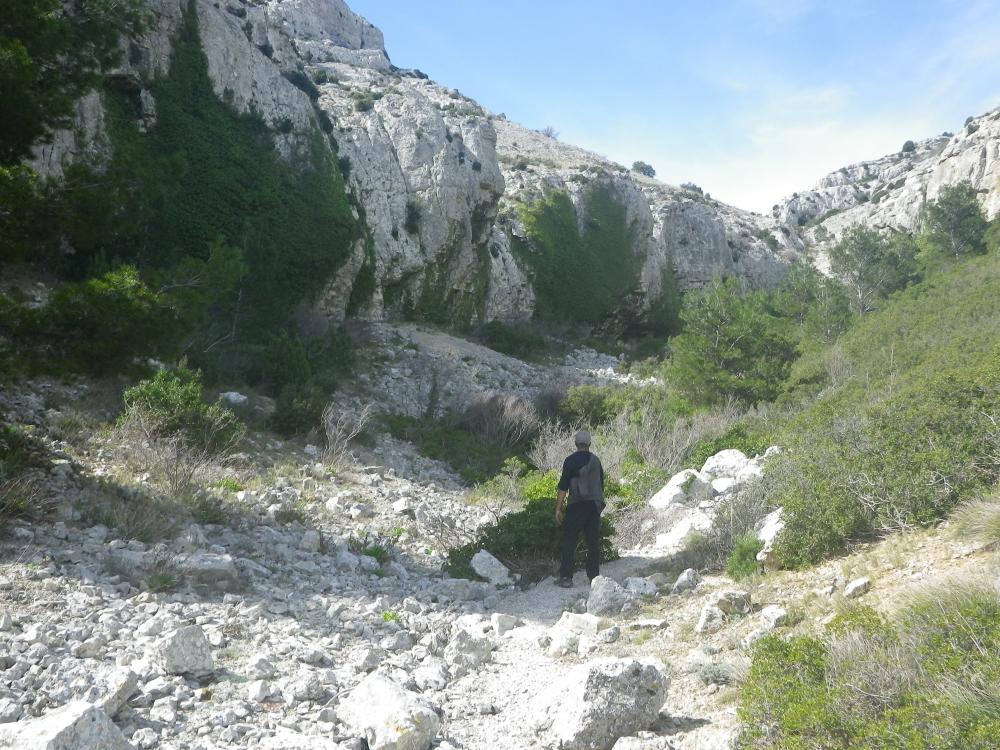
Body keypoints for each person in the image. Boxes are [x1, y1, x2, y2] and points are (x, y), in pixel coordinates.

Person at [553, 430, 605, 588]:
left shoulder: (569, 461)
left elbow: (563, 487)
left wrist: (558, 509)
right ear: (589, 444)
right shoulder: (596, 461)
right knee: (593, 542)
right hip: (593, 506)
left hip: (575, 505)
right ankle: (594, 577)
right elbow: (601, 484)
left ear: (575, 444)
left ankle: (566, 577)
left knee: (569, 541)